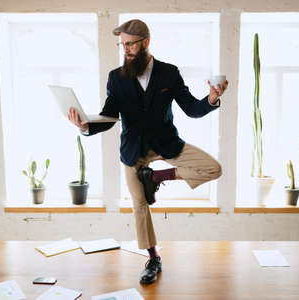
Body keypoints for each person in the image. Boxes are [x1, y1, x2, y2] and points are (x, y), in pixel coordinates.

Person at [68, 19, 228, 285]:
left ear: (145, 42)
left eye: (130, 44)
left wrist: (212, 99)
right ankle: (153, 258)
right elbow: (109, 117)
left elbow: (191, 108)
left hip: (166, 143)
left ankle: (155, 177)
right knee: (139, 204)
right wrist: (85, 126)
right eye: (123, 45)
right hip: (134, 151)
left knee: (214, 168)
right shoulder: (116, 77)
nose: (126, 50)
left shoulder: (169, 73)